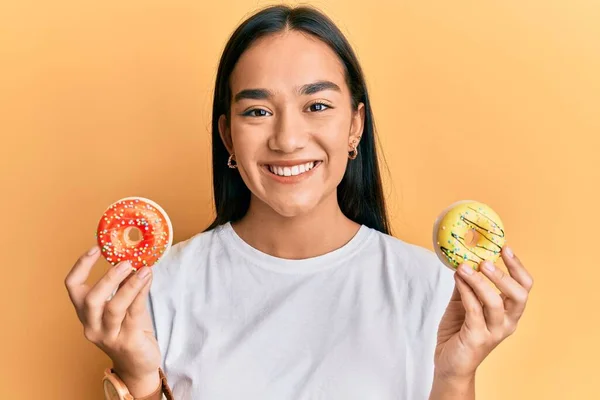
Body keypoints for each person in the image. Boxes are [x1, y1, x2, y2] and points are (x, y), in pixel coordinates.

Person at [65, 5, 534, 400]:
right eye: (258, 111)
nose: (287, 139)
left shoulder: (432, 288)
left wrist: (456, 377)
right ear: (228, 135)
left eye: (317, 106)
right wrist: (137, 376)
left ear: (355, 126)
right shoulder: (158, 289)